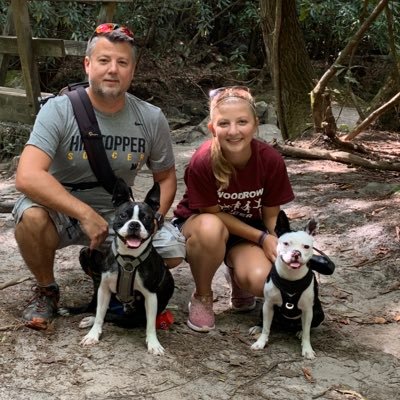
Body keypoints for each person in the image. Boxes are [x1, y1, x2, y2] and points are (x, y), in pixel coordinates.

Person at [12, 23, 185, 331]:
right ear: (88, 64)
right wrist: (84, 214)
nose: (113, 70)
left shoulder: (150, 117)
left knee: (171, 252)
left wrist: (155, 218)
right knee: (30, 218)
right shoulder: (59, 110)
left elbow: (166, 178)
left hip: (117, 212)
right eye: (104, 60)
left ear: (133, 69)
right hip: (61, 209)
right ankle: (46, 289)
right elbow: (26, 176)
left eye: (122, 62)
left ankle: (101, 266)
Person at [172, 86, 295, 332]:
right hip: (203, 225)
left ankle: (238, 275)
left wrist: (274, 242)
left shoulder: (270, 160)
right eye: (224, 123)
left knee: (264, 281)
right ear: (212, 128)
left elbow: (271, 215)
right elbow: (212, 213)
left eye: (242, 122)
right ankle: (203, 295)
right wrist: (261, 237)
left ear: (255, 124)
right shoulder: (202, 160)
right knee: (211, 228)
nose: (234, 131)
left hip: (247, 232)